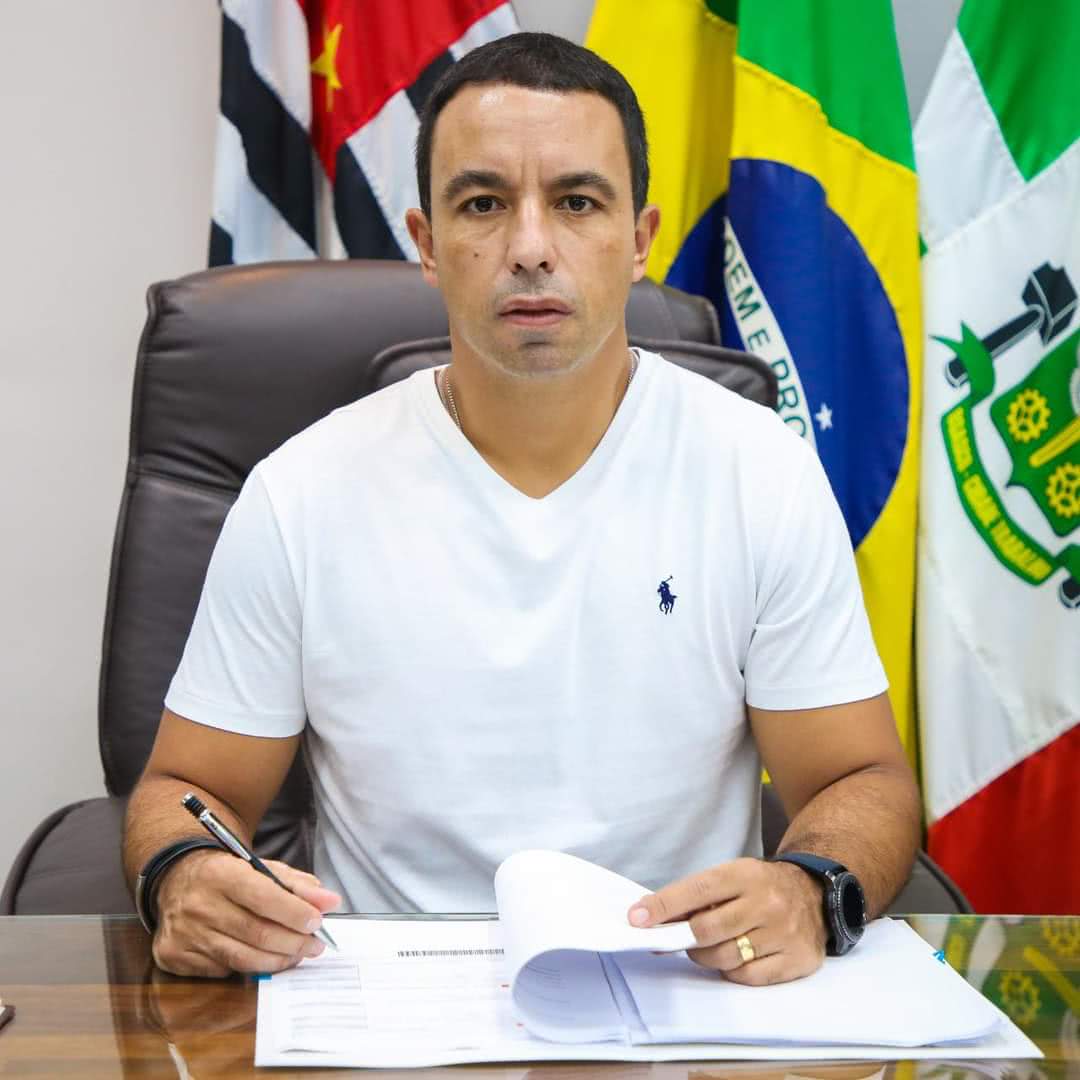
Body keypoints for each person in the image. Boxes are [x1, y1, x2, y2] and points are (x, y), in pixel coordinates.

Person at [122, 32, 920, 984]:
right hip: (386, 1003)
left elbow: (861, 780)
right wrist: (184, 874)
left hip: (682, 986)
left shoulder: (759, 471)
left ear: (639, 241)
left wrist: (809, 887)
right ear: (427, 244)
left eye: (577, 202)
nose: (531, 249)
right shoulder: (302, 491)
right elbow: (187, 789)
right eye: (483, 204)